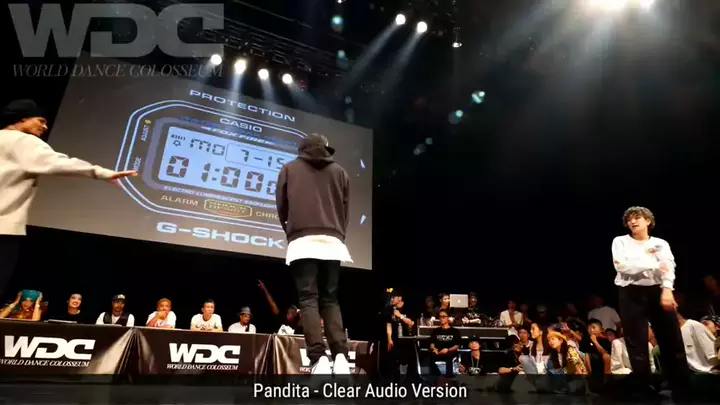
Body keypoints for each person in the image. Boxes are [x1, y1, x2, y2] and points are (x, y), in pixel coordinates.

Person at [0, 99, 137, 298]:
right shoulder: (23, 141)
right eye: (40, 120)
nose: (44, 127)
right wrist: (100, 172)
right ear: (22, 118)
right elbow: (58, 163)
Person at [276, 133, 351, 375]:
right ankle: (341, 357)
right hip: (333, 241)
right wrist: (337, 233)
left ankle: (319, 359)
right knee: (330, 299)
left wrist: (291, 231)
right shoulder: (340, 171)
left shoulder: (289, 168)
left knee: (308, 299)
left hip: (303, 240)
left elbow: (281, 206)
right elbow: (345, 209)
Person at [612, 206, 690, 398]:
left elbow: (669, 266)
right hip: (631, 292)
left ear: (648, 221)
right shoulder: (620, 241)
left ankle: (679, 385)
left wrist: (667, 289)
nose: (632, 221)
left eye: (637, 217)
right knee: (636, 340)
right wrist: (654, 264)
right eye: (629, 219)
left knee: (671, 338)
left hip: (658, 291)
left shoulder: (660, 243)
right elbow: (622, 266)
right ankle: (643, 387)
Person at [429, 310, 461, 377]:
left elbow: (457, 345)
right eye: (440, 317)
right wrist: (434, 349)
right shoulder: (435, 331)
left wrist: (448, 350)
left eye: (443, 317)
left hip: (450, 351)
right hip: (438, 351)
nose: (441, 318)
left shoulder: (455, 331)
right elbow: (432, 343)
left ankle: (449, 378)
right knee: (431, 356)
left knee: (449, 357)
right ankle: (435, 377)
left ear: (448, 318)